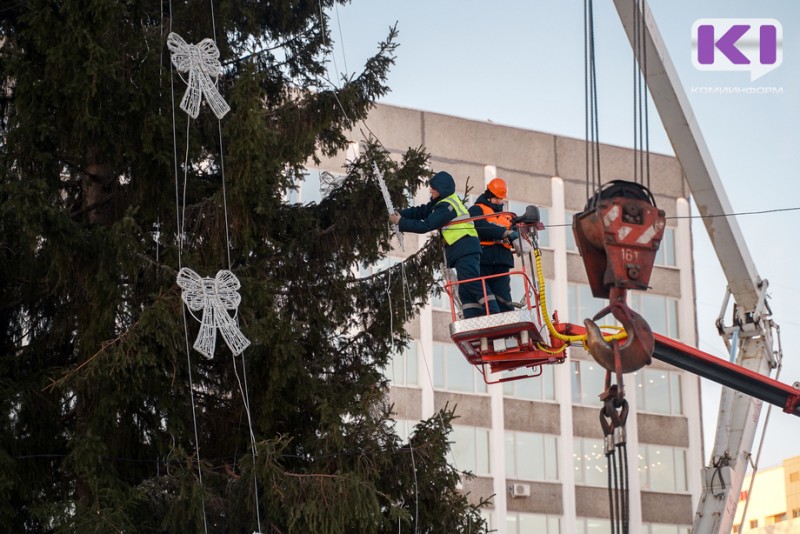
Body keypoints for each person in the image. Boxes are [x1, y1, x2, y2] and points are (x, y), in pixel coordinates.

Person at [389, 171, 500, 319]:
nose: (430, 190)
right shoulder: (442, 203)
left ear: (441, 189)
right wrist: (401, 214)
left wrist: (400, 222)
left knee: (472, 281)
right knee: (465, 288)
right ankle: (472, 317)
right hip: (462, 248)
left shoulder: (447, 206)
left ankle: (493, 313)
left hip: (464, 246)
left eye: (433, 188)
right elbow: (421, 211)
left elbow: (426, 225)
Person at [468, 177, 517, 313]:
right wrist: (504, 233)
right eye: (496, 198)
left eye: (501, 199)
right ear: (489, 196)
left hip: (502, 261)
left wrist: (517, 235)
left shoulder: (507, 216)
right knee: (484, 296)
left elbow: (515, 231)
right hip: (484, 259)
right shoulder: (476, 210)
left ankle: (508, 325)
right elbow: (479, 226)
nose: (499, 202)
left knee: (504, 299)